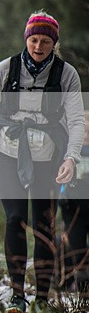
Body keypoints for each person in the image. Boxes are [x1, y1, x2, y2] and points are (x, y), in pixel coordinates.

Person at [0, 11, 84, 313]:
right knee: (15, 216)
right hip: (7, 151)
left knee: (43, 224)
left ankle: (42, 297)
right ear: (25, 40)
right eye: (33, 40)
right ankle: (18, 295)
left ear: (54, 44)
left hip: (49, 156)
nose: (38, 46)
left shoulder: (66, 74)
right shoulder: (6, 69)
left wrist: (71, 157)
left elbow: (76, 119)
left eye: (45, 41)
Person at [59, 111, 89, 295]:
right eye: (83, 132)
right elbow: (61, 181)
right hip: (72, 208)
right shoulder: (69, 153)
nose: (86, 136)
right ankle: (79, 283)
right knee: (76, 247)